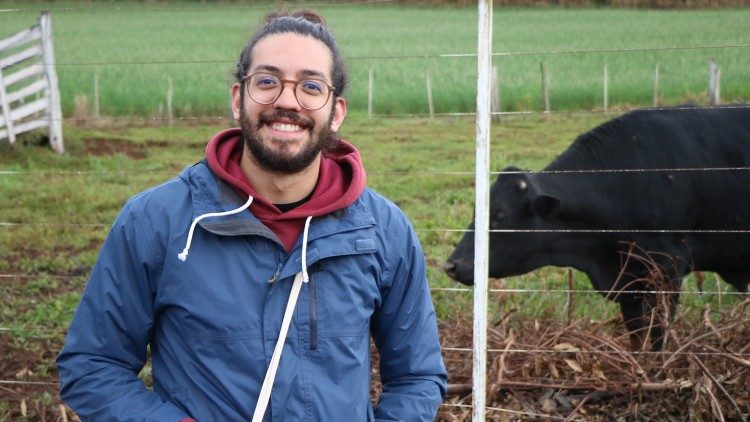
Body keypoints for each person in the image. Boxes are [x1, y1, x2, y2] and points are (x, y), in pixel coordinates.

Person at [56, 8, 447, 422]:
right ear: (238, 98)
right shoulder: (156, 222)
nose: (286, 100)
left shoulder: (383, 231)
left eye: (311, 86)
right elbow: (93, 367)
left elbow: (417, 377)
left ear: (335, 112)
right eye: (267, 81)